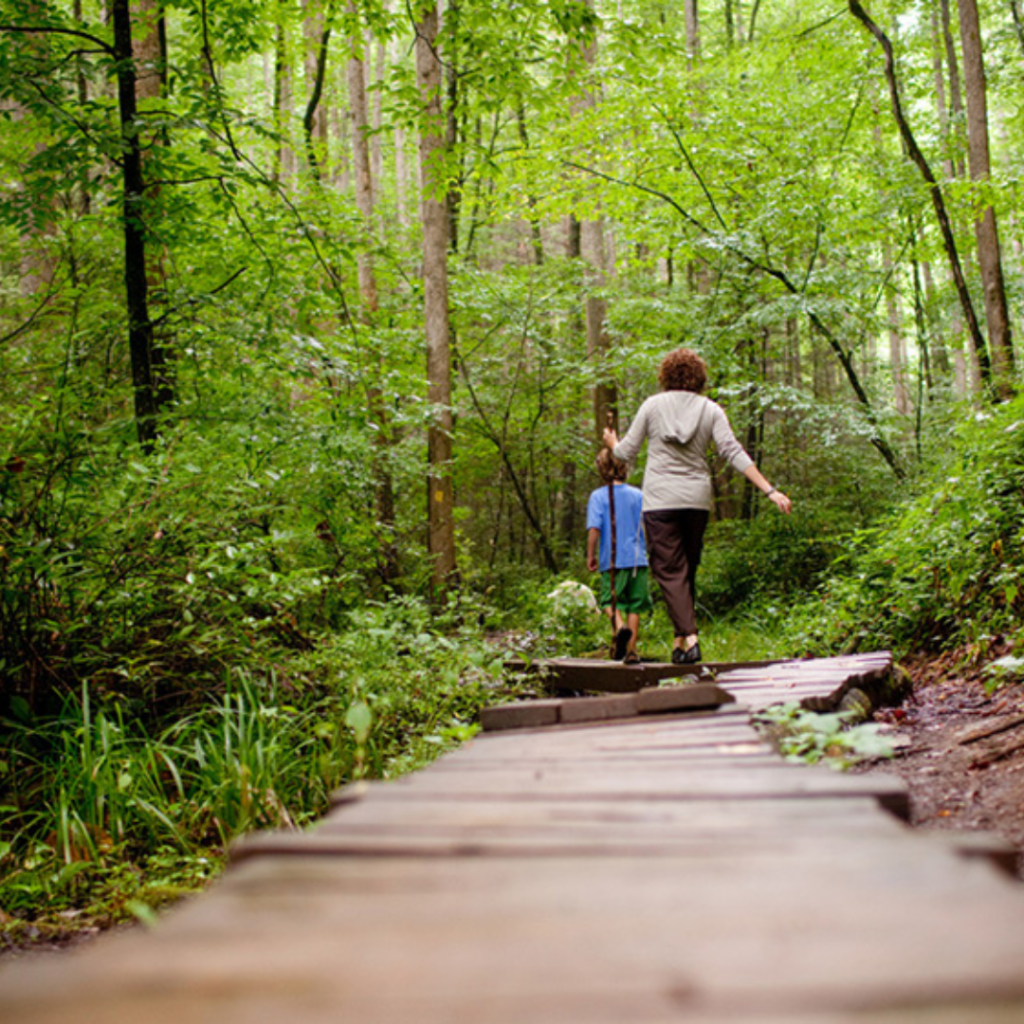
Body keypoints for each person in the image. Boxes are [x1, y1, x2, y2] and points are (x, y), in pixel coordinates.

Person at [603, 348, 792, 665]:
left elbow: (625, 453)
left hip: (660, 500)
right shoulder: (710, 409)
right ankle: (680, 643)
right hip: (696, 500)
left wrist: (612, 444)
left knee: (669, 570)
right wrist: (769, 489)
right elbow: (733, 451)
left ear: (665, 376)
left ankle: (690, 637)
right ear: (699, 378)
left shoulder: (652, 406)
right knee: (686, 569)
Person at [586, 448, 651, 664]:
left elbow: (594, 528)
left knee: (609, 601)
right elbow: (647, 526)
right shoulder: (638, 495)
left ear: (602, 470)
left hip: (612, 560)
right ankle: (631, 651)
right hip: (637, 559)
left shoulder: (598, 496)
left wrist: (591, 555)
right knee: (635, 605)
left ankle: (620, 625)